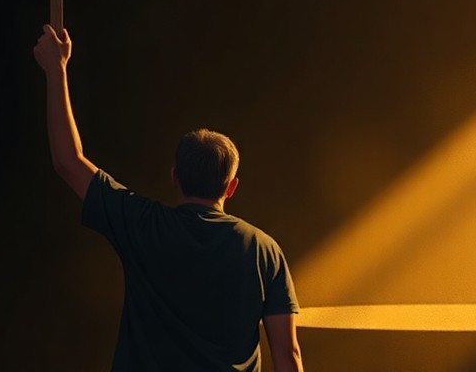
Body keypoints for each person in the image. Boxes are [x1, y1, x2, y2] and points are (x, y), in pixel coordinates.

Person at [33, 24, 304, 372]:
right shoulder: (264, 251)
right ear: (231, 187)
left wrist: (56, 69)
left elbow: (68, 162)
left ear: (174, 177)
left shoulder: (143, 224)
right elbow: (287, 355)